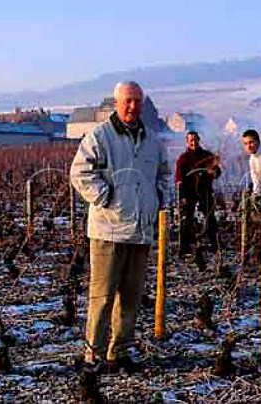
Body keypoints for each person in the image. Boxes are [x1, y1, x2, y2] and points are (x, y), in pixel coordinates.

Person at [71, 81, 168, 374]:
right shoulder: (100, 136)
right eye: (127, 100)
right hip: (108, 231)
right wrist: (109, 198)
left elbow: (163, 174)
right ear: (116, 102)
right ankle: (93, 356)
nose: (133, 106)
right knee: (101, 298)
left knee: (131, 298)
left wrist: (158, 201)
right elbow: (79, 172)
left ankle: (120, 352)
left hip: (141, 231)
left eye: (137, 100)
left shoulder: (152, 140)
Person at [175, 131, 221, 255]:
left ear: (199, 140)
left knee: (210, 217)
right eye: (191, 140)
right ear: (187, 142)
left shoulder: (207, 156)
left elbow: (217, 171)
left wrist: (214, 172)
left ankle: (214, 245)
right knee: (186, 218)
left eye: (195, 140)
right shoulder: (183, 159)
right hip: (189, 192)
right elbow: (179, 178)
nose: (193, 142)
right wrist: (182, 195)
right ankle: (185, 247)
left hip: (205, 190)